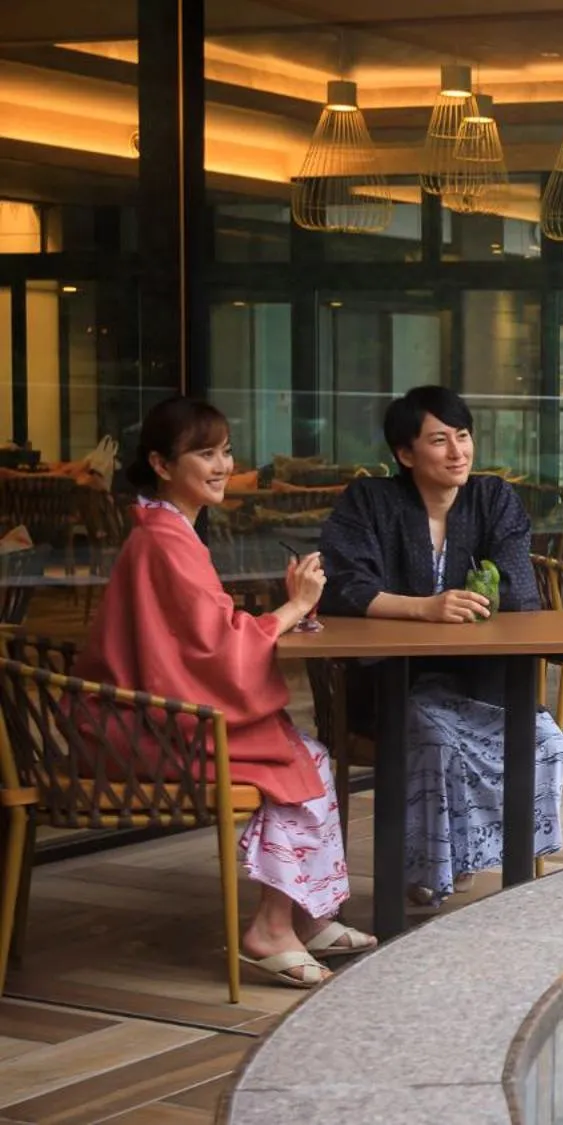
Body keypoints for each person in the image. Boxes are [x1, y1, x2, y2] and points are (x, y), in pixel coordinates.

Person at [75, 397, 375, 988]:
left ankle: (307, 916)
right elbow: (215, 651)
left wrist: (283, 612)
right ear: (162, 464)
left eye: (226, 452)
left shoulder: (166, 530)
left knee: (306, 753)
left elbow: (204, 638)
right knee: (298, 763)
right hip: (150, 730)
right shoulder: (165, 539)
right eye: (204, 453)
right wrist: (294, 607)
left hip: (143, 716)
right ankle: (271, 927)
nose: (221, 466)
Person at [317, 385, 563, 907]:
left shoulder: (493, 498)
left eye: (463, 436)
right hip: (394, 681)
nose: (458, 452)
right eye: (439, 440)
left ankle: (480, 858)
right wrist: (424, 607)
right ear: (405, 454)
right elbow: (341, 586)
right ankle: (429, 871)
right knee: (434, 739)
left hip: (480, 680)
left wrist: (460, 603)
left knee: (549, 742)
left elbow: (518, 589)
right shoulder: (371, 502)